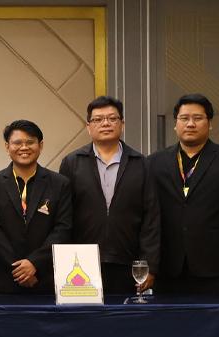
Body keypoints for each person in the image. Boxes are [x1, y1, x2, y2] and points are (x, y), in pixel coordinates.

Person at [147, 93, 219, 296]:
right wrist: (149, 264)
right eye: (184, 118)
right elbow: (148, 216)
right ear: (175, 124)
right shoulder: (154, 163)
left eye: (197, 118)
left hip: (216, 269)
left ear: (209, 123)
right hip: (167, 269)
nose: (190, 124)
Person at [59, 96, 160, 296]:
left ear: (122, 124)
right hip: (81, 262)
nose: (105, 123)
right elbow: (63, 216)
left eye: (112, 118)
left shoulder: (141, 163)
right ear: (88, 127)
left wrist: (150, 264)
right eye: (98, 119)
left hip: (128, 261)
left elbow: (151, 218)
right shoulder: (72, 163)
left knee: (123, 314)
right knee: (83, 315)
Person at [0, 120, 72, 294]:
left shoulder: (60, 184)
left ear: (40, 145)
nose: (24, 147)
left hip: (46, 277)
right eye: (17, 143)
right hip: (5, 279)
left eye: (30, 142)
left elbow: (63, 229)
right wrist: (20, 270)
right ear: (7, 147)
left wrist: (34, 263)